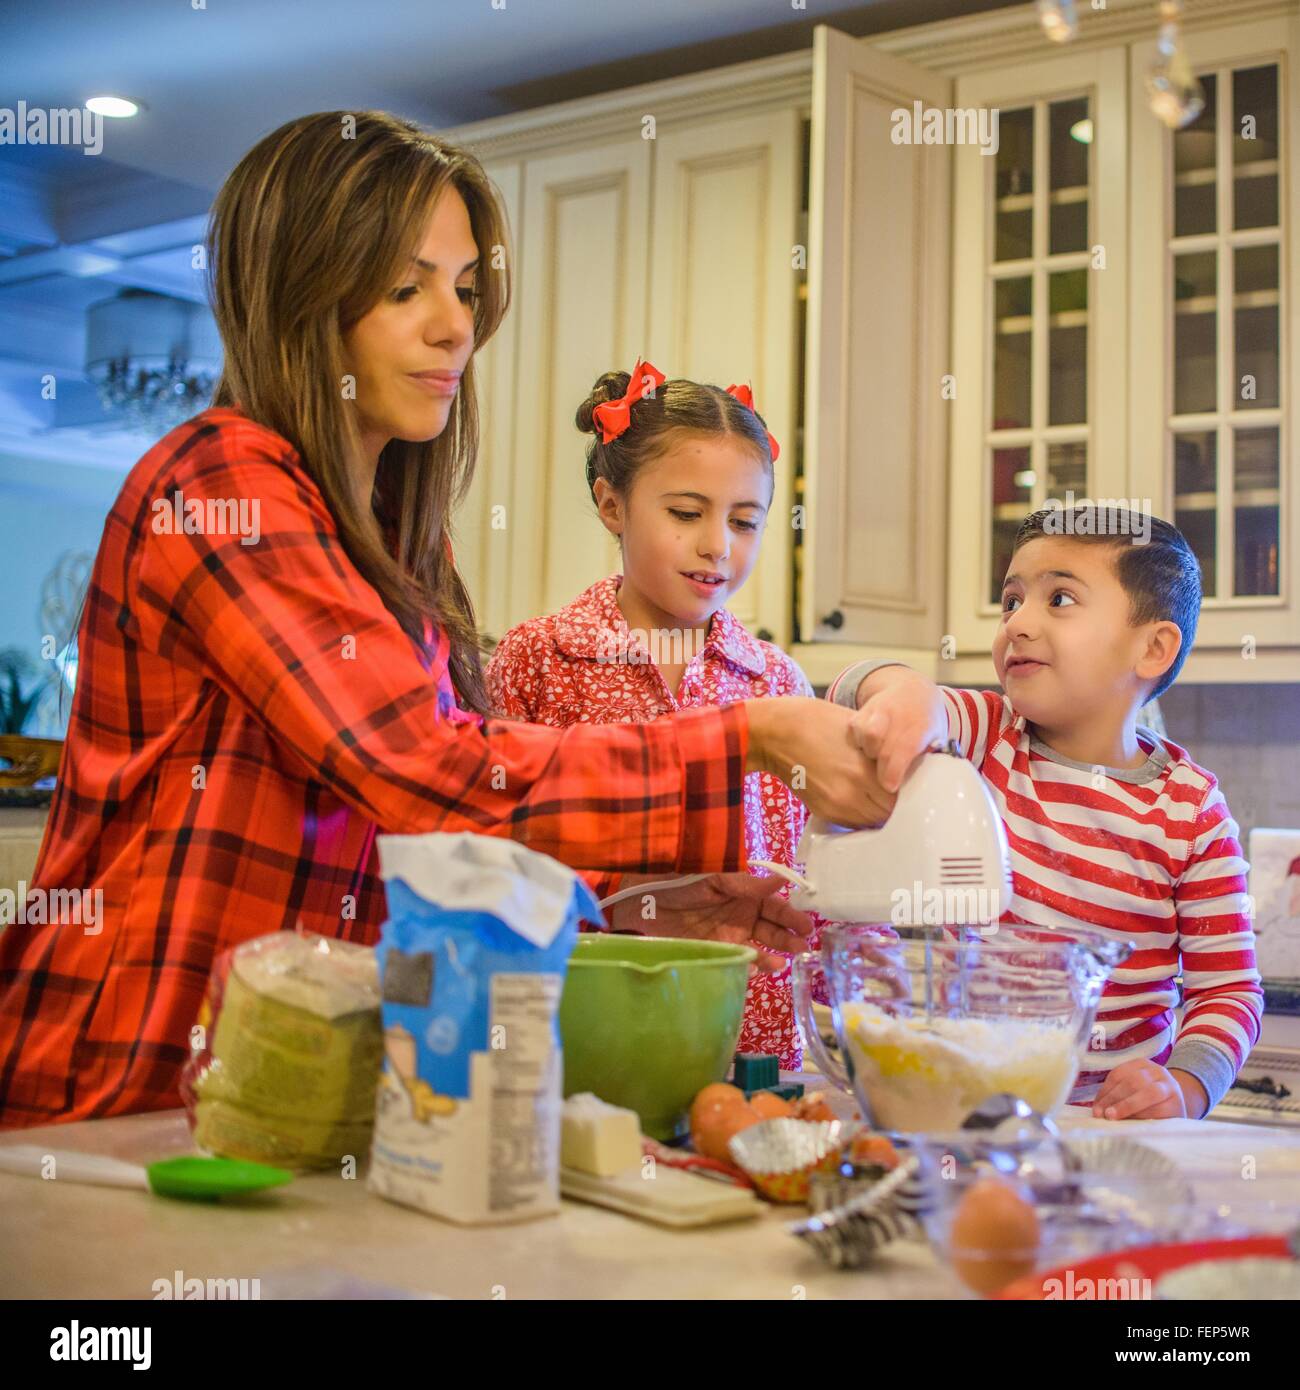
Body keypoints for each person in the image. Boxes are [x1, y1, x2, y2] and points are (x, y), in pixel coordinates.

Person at [0, 112, 891, 1130]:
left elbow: (412, 853)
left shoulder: (397, 541)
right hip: (136, 1071)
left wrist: (631, 910)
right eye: (404, 286)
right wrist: (750, 736)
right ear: (299, 292)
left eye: (465, 289)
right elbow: (418, 769)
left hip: (304, 1086)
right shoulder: (218, 487)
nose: (455, 324)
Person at [827, 506, 1264, 1120]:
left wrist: (1186, 1087)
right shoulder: (987, 735)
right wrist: (906, 693)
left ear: (1152, 648)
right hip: (960, 1103)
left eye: (1059, 599)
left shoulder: (1189, 811)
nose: (1018, 624)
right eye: (1011, 601)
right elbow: (853, 685)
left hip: (1103, 1124)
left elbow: (1228, 991)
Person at [488, 360, 825, 1067]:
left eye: (744, 521)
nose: (717, 546)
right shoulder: (537, 660)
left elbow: (811, 882)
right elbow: (485, 871)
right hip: (575, 1046)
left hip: (749, 1054)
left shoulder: (778, 682)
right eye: (685, 513)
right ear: (611, 505)